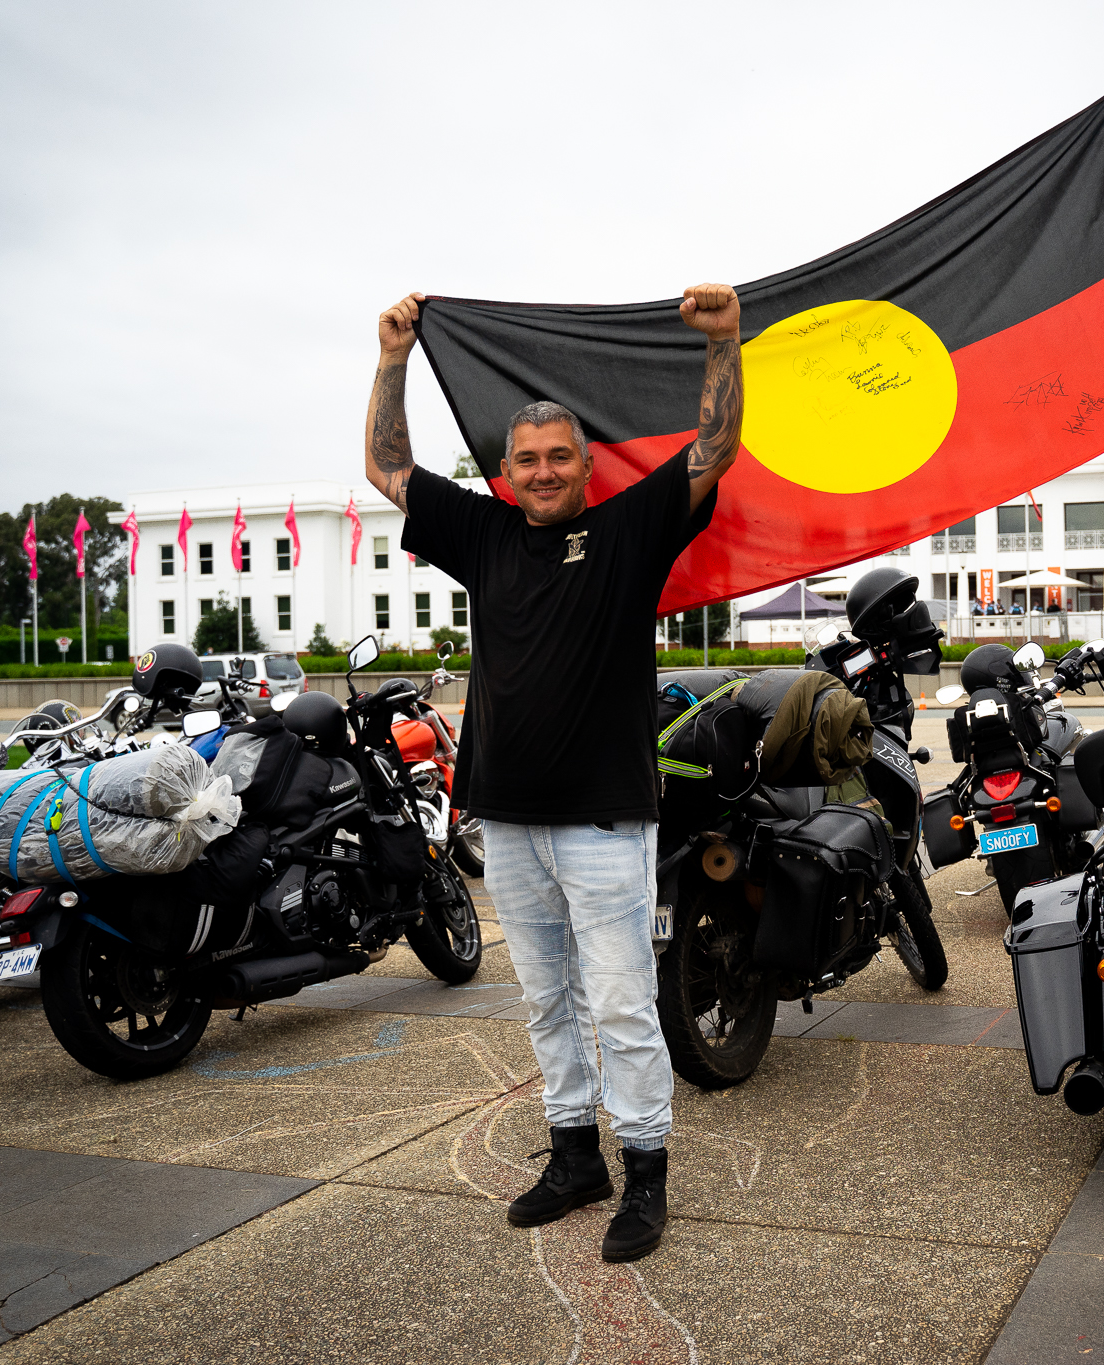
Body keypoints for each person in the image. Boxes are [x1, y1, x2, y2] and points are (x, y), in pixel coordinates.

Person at [364, 283, 745, 1263]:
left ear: (585, 467)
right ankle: (575, 1156)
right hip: (509, 818)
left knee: (620, 1001)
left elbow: (710, 454)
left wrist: (722, 346)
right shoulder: (483, 534)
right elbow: (387, 467)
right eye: (525, 459)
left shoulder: (626, 533)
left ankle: (645, 1174)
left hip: (605, 820)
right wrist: (393, 357)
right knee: (543, 1000)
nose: (541, 472)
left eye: (558, 458)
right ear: (505, 471)